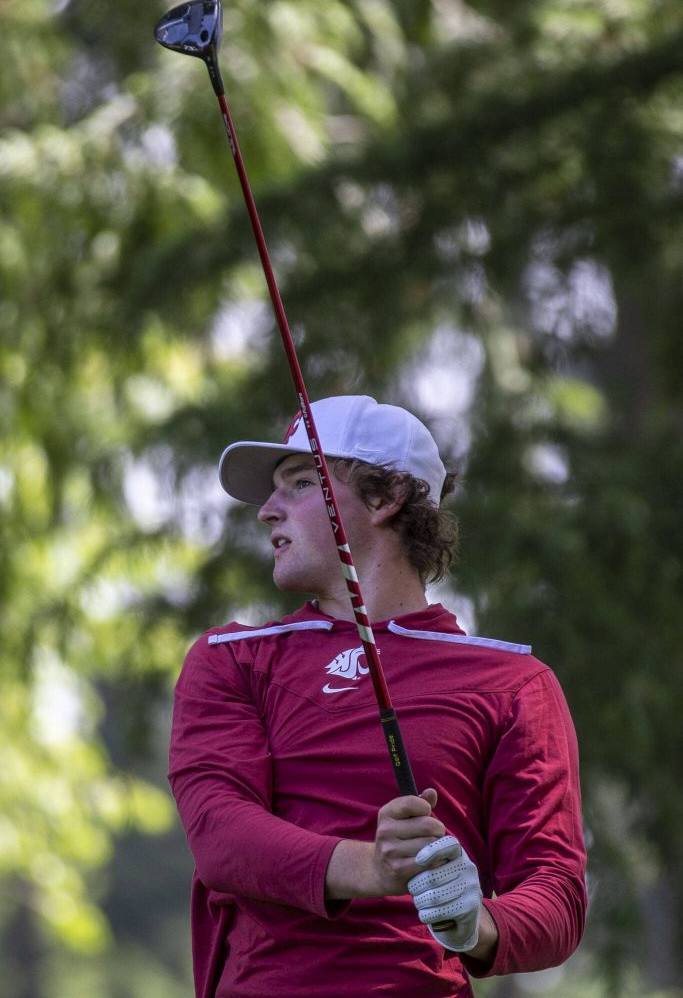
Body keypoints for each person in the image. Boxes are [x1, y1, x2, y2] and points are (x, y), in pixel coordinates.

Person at [168, 394, 587, 998]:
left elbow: (556, 895)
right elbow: (222, 837)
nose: (266, 512)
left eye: (300, 483)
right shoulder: (231, 658)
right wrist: (373, 866)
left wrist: (478, 923)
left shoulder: (514, 684)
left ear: (385, 498)